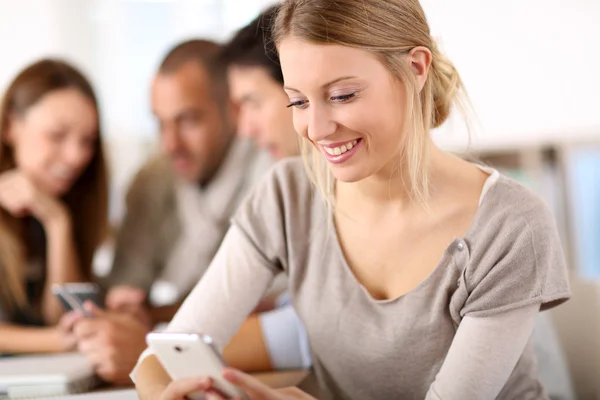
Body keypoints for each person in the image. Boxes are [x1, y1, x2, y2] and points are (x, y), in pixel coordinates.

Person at [133, 1, 571, 399]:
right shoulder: (288, 195)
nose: (317, 129)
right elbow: (167, 354)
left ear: (417, 69)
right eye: (298, 102)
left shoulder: (511, 225)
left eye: (342, 95)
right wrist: (170, 393)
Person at [72, 39, 274, 384]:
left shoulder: (272, 164)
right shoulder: (153, 179)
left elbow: (276, 302)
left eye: (188, 120)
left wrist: (153, 316)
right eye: (160, 123)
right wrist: (127, 307)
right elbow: (127, 284)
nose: (170, 143)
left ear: (233, 108)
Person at [0, 59, 108, 355]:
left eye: (87, 141)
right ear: (11, 126)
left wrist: (57, 223)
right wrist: (59, 340)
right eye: (57, 136)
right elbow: (66, 331)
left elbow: (61, 316)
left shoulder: (63, 204)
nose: (76, 157)